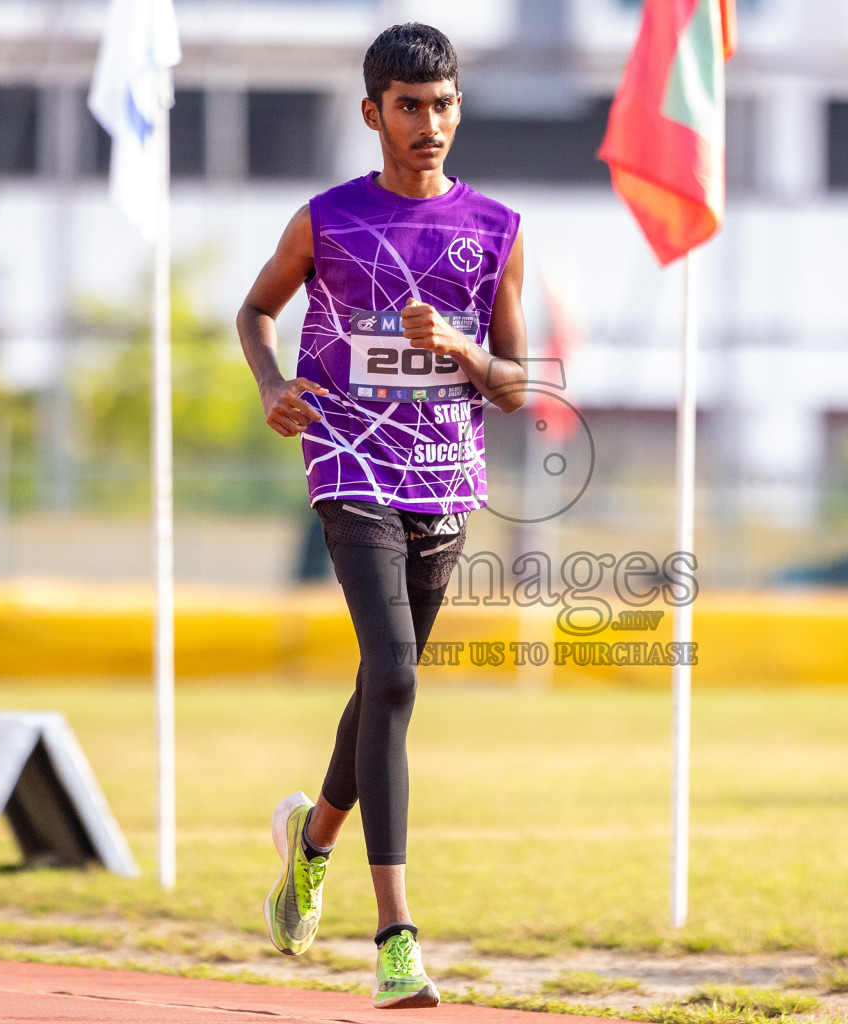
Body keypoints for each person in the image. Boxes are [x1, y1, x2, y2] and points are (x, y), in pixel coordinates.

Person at [235, 22, 528, 1010]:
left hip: (445, 477)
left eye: (443, 103)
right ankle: (397, 937)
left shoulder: (497, 228)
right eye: (409, 105)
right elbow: (255, 309)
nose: (429, 123)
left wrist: (461, 348)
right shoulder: (327, 219)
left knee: (384, 683)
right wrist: (273, 383)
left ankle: (310, 840)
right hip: (347, 465)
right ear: (373, 114)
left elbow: (519, 386)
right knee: (397, 671)